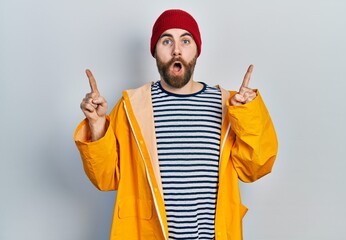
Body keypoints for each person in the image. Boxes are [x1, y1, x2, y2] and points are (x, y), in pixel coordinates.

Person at [74, 9, 278, 240]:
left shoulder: (229, 105)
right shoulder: (132, 106)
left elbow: (256, 168)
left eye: (186, 40)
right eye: (166, 40)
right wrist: (97, 125)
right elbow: (106, 178)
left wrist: (248, 113)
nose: (176, 49)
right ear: (155, 51)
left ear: (197, 50)